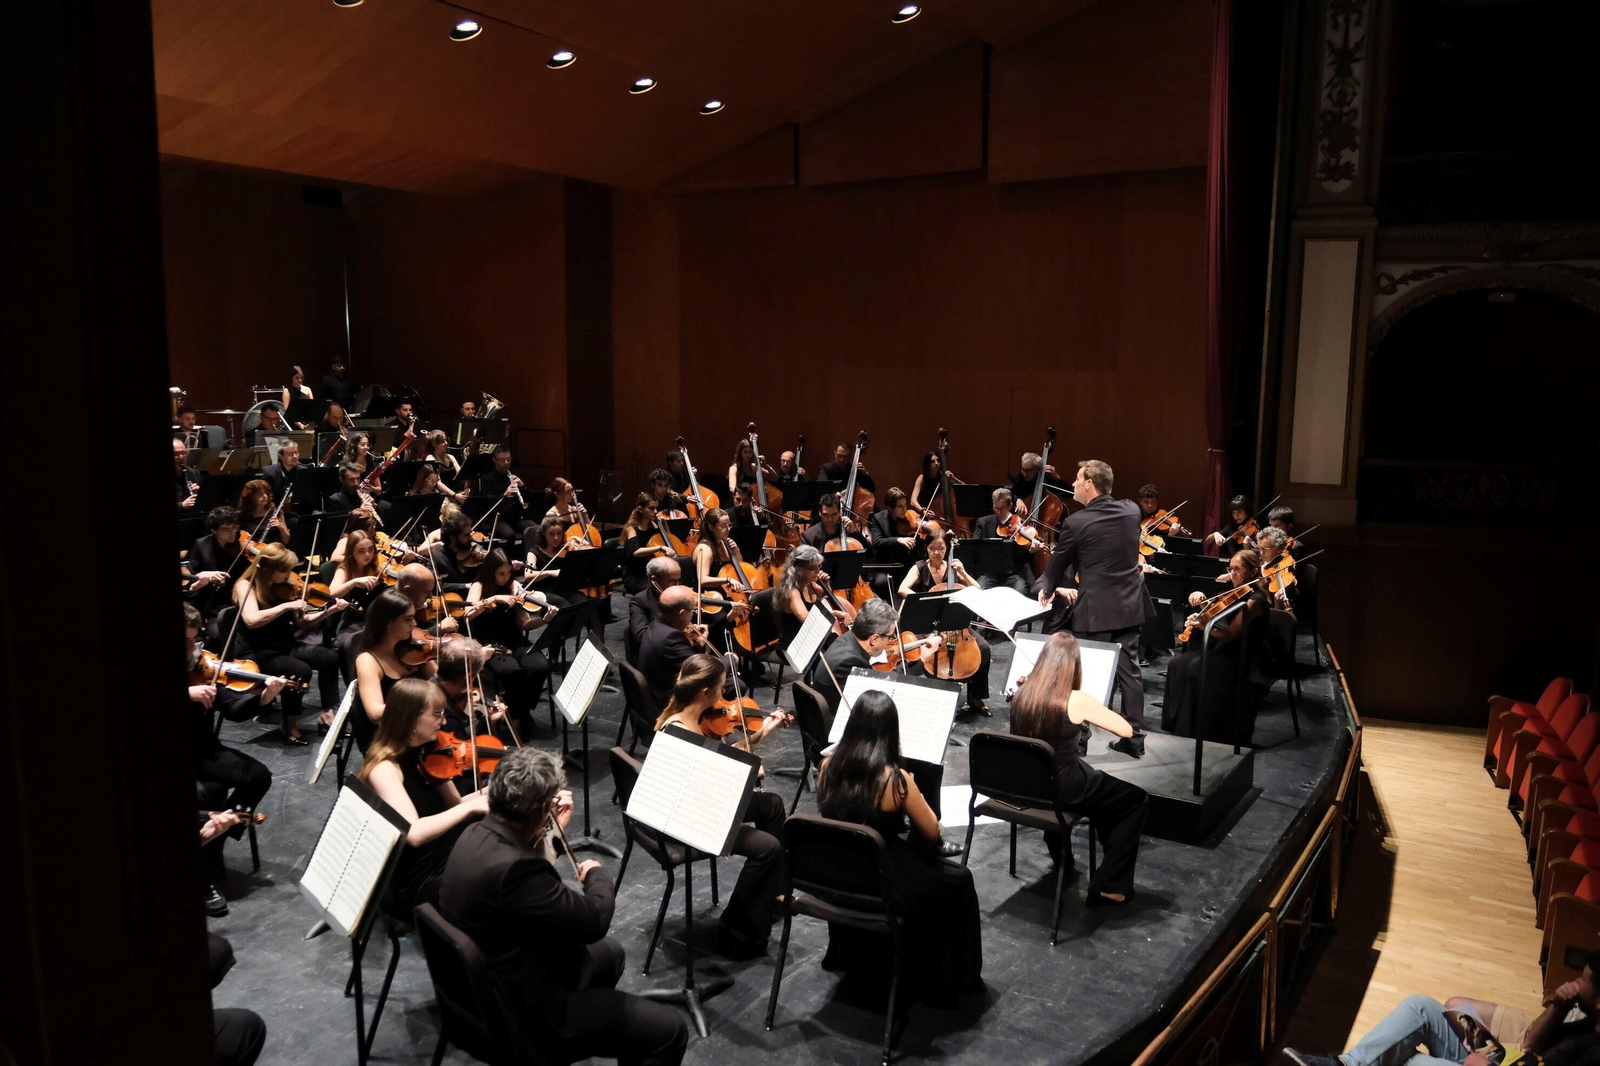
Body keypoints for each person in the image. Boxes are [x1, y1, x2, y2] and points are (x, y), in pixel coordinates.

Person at [438, 747, 688, 1066]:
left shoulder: (476, 832)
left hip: (483, 986)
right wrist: (597, 874)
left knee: (609, 955)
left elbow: (525, 882)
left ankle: (596, 1025)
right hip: (527, 1016)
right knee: (669, 1031)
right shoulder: (517, 871)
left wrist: (553, 832)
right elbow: (593, 920)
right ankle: (567, 1039)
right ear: (543, 808)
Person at [816, 690, 983, 1006]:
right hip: (881, 874)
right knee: (959, 880)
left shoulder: (827, 767)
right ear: (891, 731)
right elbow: (931, 829)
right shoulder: (896, 780)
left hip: (835, 873)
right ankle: (949, 977)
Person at [653, 654, 786, 958]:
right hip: (688, 817)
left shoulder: (694, 719)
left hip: (700, 800)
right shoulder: (681, 733)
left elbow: (721, 759)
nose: (725, 695)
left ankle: (771, 896)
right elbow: (707, 788)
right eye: (722, 688)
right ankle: (735, 927)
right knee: (768, 848)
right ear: (705, 692)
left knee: (772, 805)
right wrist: (748, 774)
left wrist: (763, 731)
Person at [1010, 632, 1149, 905]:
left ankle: (1063, 859)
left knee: (1099, 793)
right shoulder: (1077, 699)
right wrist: (1091, 707)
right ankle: (1110, 883)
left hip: (1028, 782)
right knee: (1134, 800)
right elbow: (1126, 729)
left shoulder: (1022, 691)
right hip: (1065, 784)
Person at [1284, 955, 1600, 1066]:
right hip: (1509, 1059)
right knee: (1421, 1005)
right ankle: (1343, 1065)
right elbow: (1534, 1045)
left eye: (1583, 980)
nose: (1574, 981)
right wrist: (1559, 1007)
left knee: (1401, 1059)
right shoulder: (1585, 1015)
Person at [1033, 459, 1149, 757]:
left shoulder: (1077, 522)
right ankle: (1134, 740)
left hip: (1095, 611)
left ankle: (1079, 743)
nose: (1072, 483)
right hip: (1128, 606)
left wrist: (1047, 590)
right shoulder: (1132, 510)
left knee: (1089, 678)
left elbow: (1058, 562)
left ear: (1089, 484)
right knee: (1130, 674)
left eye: (1076, 478)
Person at [810, 600, 950, 844]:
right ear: (874, 639)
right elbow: (879, 698)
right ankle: (927, 834)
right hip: (847, 737)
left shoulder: (846, 644)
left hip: (846, 722)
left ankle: (901, 816)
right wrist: (920, 662)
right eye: (888, 637)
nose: (890, 642)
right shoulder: (849, 663)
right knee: (930, 762)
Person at [358, 678, 489, 915]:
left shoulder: (428, 751)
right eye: (437, 714)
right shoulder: (384, 769)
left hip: (446, 853)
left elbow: (456, 804)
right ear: (412, 719)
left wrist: (492, 792)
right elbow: (414, 833)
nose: (444, 721)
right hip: (417, 879)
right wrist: (473, 807)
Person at [186, 604, 281, 916]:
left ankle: (217, 841)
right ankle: (204, 878)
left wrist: (264, 698)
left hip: (203, 750)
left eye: (194, 640)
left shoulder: (204, 664)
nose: (193, 649)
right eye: (184, 642)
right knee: (208, 793)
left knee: (259, 776)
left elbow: (233, 710)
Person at [235, 543, 347, 743]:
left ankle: (328, 714)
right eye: (284, 570)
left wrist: (329, 612)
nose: (289, 575)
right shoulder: (246, 585)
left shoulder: (282, 589)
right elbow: (251, 620)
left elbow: (302, 623)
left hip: (285, 645)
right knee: (300, 670)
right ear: (267, 569)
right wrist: (286, 606)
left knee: (329, 657)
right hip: (257, 650)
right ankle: (289, 723)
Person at [1163, 550, 1271, 744]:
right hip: (1221, 646)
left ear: (1254, 571)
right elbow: (1214, 614)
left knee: (1195, 668)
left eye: (1238, 569)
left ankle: (1201, 731)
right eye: (1230, 569)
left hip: (1241, 653)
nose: (1233, 573)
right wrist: (1200, 611)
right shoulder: (1233, 590)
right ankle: (1178, 725)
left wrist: (1205, 626)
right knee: (1177, 664)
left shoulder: (1256, 600)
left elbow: (1231, 633)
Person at [898, 530, 992, 714]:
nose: (936, 552)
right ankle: (935, 696)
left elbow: (978, 590)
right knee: (925, 652)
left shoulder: (953, 568)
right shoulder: (919, 567)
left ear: (946, 548)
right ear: (927, 548)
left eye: (940, 548)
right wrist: (924, 599)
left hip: (955, 624)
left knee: (984, 648)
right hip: (928, 624)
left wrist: (963, 573)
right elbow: (902, 588)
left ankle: (975, 697)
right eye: (932, 548)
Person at [465, 548, 555, 732]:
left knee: (540, 665)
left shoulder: (513, 586)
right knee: (511, 670)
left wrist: (544, 620)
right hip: (489, 643)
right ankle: (521, 715)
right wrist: (495, 598)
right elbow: (467, 615)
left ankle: (518, 711)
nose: (506, 578)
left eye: (508, 573)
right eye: (501, 574)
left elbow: (526, 624)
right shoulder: (479, 586)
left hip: (514, 639)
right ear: (491, 571)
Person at [352, 588, 435, 751]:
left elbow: (439, 683)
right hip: (391, 741)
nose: (415, 624)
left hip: (420, 731)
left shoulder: (416, 650)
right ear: (388, 623)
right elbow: (375, 713)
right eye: (407, 619)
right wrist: (416, 702)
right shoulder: (368, 660)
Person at [636, 585, 722, 710]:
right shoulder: (672, 638)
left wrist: (699, 644)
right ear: (682, 614)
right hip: (668, 703)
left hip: (655, 691)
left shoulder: (655, 625)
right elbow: (701, 671)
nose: (692, 615)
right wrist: (730, 659)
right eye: (691, 611)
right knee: (730, 685)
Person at [775, 544, 851, 646]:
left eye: (819, 566)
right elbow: (806, 619)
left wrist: (826, 585)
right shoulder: (792, 592)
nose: (818, 571)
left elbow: (828, 600)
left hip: (812, 640)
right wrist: (834, 614)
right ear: (798, 569)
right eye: (812, 568)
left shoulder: (811, 585)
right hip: (794, 645)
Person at [971, 487, 1036, 595]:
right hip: (989, 573)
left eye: (1002, 508)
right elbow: (975, 548)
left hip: (1013, 574)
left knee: (1020, 592)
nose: (999, 512)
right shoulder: (983, 523)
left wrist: (1031, 551)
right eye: (996, 508)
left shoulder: (1020, 525)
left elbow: (1022, 559)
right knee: (977, 591)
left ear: (1010, 506)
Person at [866, 487, 924, 597]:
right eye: (900, 506)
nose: (904, 509)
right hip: (886, 565)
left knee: (921, 578)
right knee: (881, 582)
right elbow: (877, 542)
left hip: (906, 564)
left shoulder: (909, 518)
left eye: (905, 505)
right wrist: (898, 540)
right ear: (890, 507)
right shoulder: (878, 518)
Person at [619, 494, 664, 596]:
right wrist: (659, 548)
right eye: (651, 508)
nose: (656, 512)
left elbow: (666, 542)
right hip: (635, 576)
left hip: (650, 572)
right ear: (640, 509)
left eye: (656, 508)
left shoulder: (653, 525)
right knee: (657, 589)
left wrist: (664, 527)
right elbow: (636, 552)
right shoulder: (631, 529)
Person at [800, 492, 870, 552]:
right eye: (825, 515)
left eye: (834, 514)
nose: (830, 519)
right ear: (819, 513)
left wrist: (855, 532)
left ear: (839, 512)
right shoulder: (808, 536)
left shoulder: (849, 531)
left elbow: (871, 555)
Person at [235, 478, 291, 546]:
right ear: (251, 497)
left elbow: (286, 540)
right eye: (259, 494)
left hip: (274, 550)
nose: (264, 496)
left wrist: (281, 527)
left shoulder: (276, 512)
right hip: (252, 552)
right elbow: (236, 539)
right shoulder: (242, 516)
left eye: (266, 493)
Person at [1008, 451, 1059, 517]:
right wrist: (1017, 499)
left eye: (1029, 470)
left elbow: (1068, 494)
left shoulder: (1047, 479)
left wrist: (1057, 478)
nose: (1025, 474)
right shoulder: (1016, 477)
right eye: (1023, 469)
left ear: (1038, 469)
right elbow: (1006, 492)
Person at [175, 438, 202, 510]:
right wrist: (181, 505)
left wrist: (198, 493)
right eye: (175, 454)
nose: (180, 457)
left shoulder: (193, 473)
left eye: (183, 453)